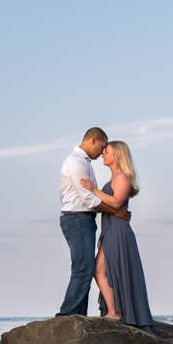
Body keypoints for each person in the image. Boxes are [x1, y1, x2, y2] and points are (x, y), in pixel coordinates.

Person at [57, 127, 130, 316]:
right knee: (83, 268)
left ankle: (78, 314)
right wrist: (117, 212)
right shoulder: (75, 162)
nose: (102, 152)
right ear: (93, 141)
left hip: (83, 219)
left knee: (85, 268)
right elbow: (88, 198)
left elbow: (94, 195)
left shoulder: (84, 163)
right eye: (102, 147)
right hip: (77, 218)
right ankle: (68, 314)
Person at [80, 140, 153, 328]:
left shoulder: (123, 177)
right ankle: (114, 311)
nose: (104, 154)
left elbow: (116, 202)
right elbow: (108, 205)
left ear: (118, 156)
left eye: (107, 152)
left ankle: (115, 312)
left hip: (118, 231)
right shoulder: (112, 179)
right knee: (104, 270)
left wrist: (93, 189)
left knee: (102, 270)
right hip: (110, 228)